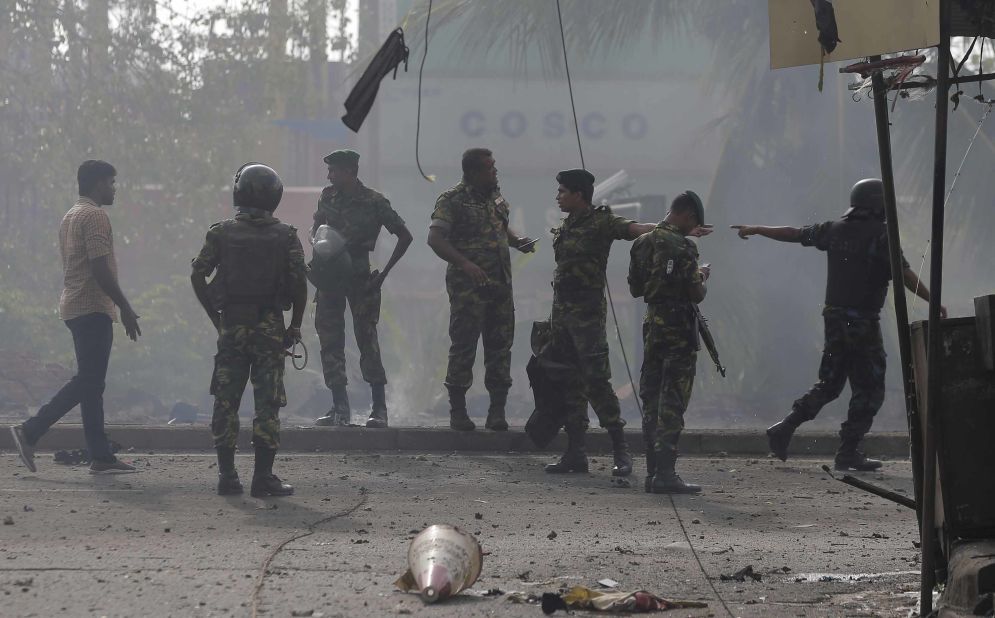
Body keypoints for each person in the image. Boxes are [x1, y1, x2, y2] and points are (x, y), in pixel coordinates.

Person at [732, 178, 946, 471]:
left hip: (834, 319)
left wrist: (757, 229)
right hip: (862, 323)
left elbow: (795, 234)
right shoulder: (881, 235)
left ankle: (785, 427)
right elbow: (905, 274)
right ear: (878, 204)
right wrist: (933, 301)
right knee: (870, 389)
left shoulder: (833, 230)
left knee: (830, 384)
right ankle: (847, 451)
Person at [544, 169, 683, 478]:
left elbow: (634, 229)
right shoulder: (566, 225)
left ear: (579, 195)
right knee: (569, 383)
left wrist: (672, 228)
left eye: (563, 191)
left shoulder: (601, 221)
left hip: (588, 318)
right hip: (562, 318)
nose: (558, 196)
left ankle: (620, 449)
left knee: (596, 382)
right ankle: (575, 452)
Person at [9, 160, 140, 475]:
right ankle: (31, 430)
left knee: (92, 384)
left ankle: (100, 456)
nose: (114, 188)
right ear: (97, 185)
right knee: (88, 381)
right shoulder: (95, 215)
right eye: (111, 182)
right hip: (92, 306)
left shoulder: (71, 215)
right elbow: (99, 267)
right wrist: (124, 306)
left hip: (74, 305)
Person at [191, 163, 307, 497]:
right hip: (269, 328)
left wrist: (216, 317)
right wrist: (295, 327)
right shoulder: (286, 235)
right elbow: (300, 286)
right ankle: (263, 478)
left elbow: (198, 274)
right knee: (267, 402)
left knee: (226, 400)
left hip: (232, 325)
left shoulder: (221, 232)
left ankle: (227, 477)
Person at [428, 148, 535, 431]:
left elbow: (501, 228)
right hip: (469, 288)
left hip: (499, 286)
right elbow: (435, 239)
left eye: (494, 167)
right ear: (473, 172)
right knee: (464, 346)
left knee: (500, 346)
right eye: (489, 168)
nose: (494, 172)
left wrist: (517, 241)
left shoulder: (496, 197)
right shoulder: (453, 200)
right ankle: (458, 412)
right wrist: (465, 264)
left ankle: (497, 411)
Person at [310, 150, 412, 429]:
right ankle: (339, 407)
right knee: (330, 340)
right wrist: (319, 242)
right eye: (329, 171)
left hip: (360, 277)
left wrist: (384, 275)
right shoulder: (327, 196)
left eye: (334, 171)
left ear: (350, 171)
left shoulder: (374, 201)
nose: (329, 175)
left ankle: (379, 409)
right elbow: (315, 226)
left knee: (367, 340)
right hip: (330, 276)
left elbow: (405, 236)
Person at [629, 192, 711, 494]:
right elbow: (695, 293)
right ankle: (666, 473)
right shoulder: (684, 246)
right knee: (673, 401)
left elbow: (636, 288)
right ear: (688, 215)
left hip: (652, 326)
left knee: (651, 398)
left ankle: (653, 472)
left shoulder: (641, 243)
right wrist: (701, 276)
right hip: (678, 328)